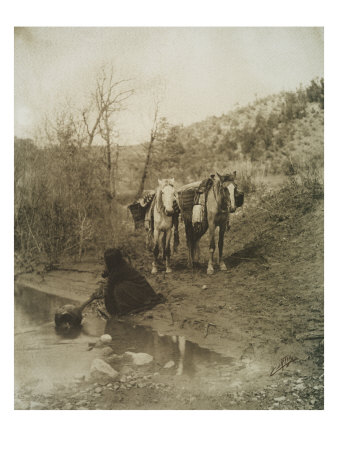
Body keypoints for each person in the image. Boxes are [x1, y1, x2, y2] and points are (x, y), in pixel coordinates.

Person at [100, 248, 166, 316]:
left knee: (119, 288)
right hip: (142, 290)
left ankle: (130, 305)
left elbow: (108, 288)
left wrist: (111, 309)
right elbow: (109, 273)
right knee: (118, 287)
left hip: (142, 291)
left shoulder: (119, 270)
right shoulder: (121, 264)